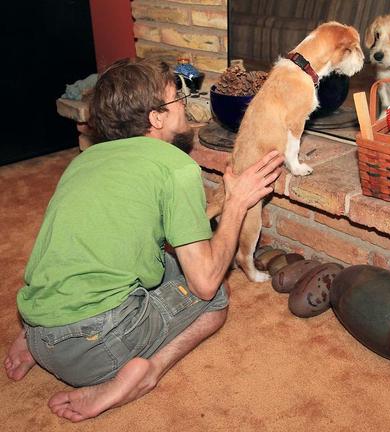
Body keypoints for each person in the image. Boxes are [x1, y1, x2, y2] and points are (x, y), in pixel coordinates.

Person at [4, 57, 284, 422]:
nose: (184, 106)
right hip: (99, 346)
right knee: (216, 298)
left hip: (40, 326)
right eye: (177, 100)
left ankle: (35, 345)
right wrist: (236, 204)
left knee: (163, 261)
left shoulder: (83, 160)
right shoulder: (175, 166)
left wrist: (216, 206)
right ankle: (146, 372)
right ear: (156, 117)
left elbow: (134, 227)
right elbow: (204, 282)